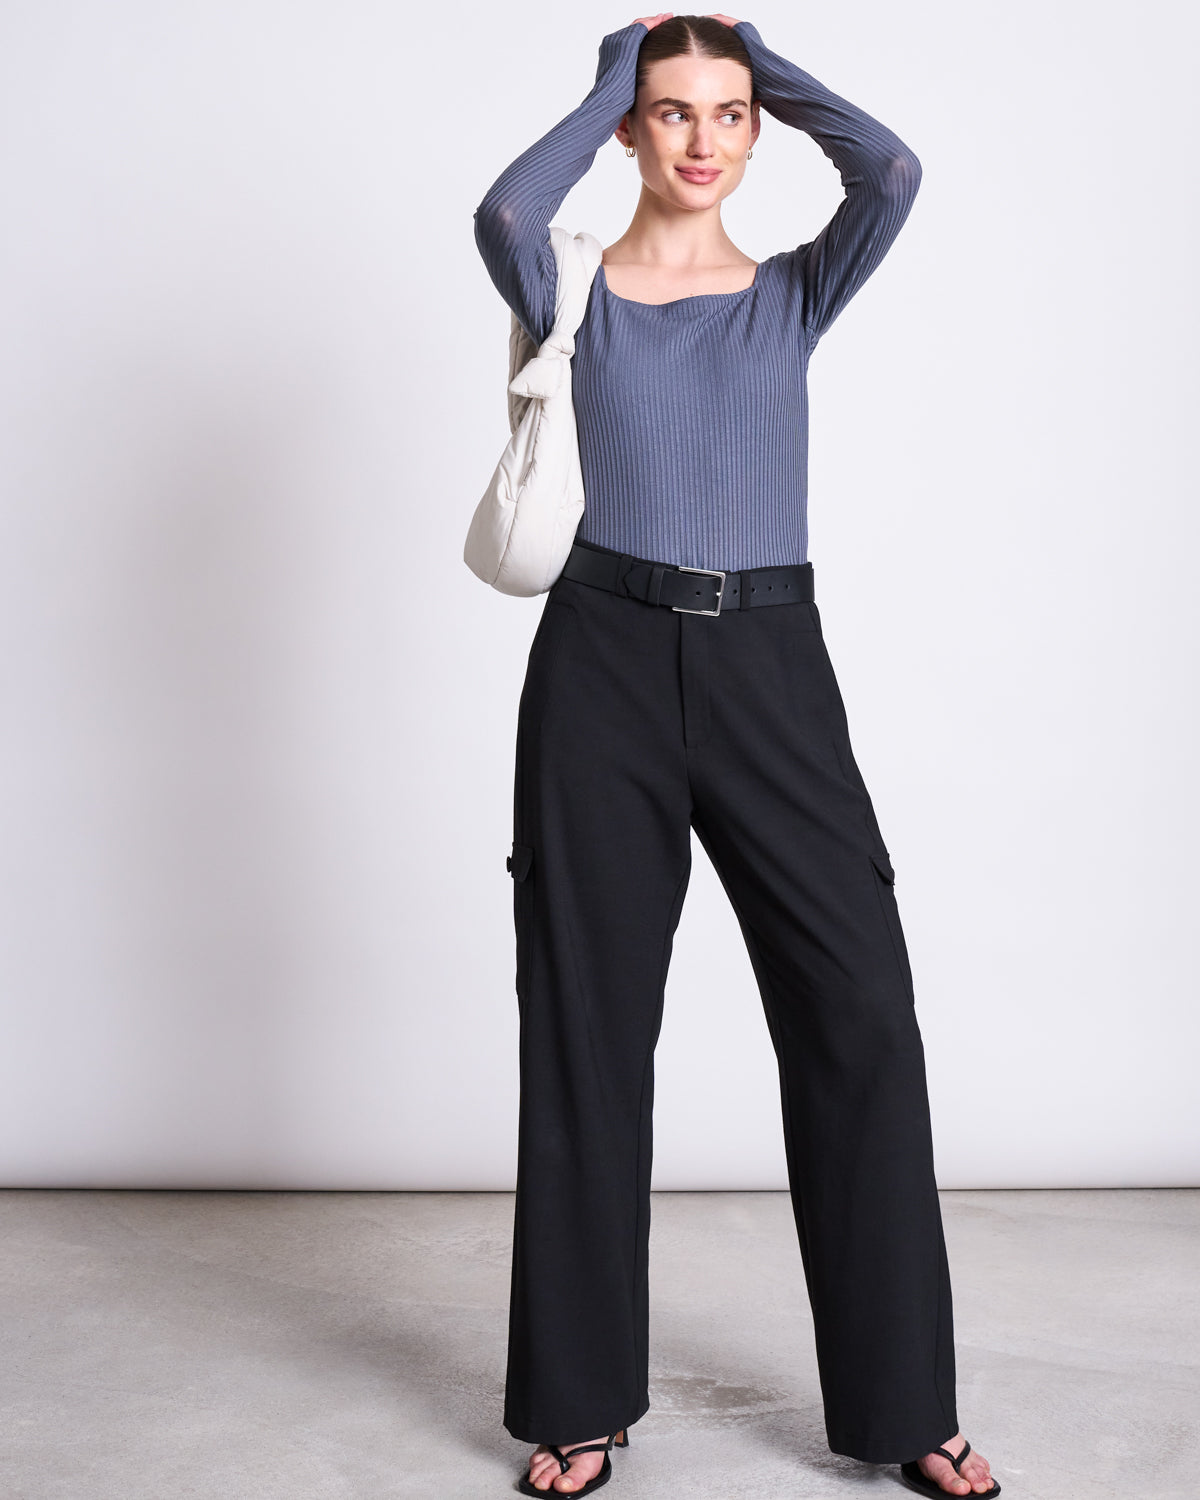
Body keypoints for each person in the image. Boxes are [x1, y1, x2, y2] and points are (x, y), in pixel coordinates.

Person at [473, 13, 999, 1499]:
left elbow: (890, 169)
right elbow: (509, 207)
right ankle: (578, 1402)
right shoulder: (569, 284)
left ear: (757, 130)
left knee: (862, 1021)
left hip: (775, 668)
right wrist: (605, 75)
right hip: (602, 667)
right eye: (672, 112)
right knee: (586, 1032)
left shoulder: (790, 293)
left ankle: (909, 1408)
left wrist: (765, 54)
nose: (704, 140)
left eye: (729, 113)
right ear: (633, 130)